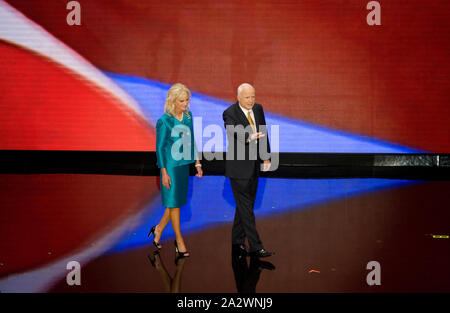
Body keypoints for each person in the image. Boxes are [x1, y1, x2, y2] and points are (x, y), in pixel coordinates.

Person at [148, 83, 203, 258]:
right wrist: (163, 172)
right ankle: (179, 241)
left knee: (175, 202)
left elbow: (191, 138)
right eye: (181, 101)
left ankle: (158, 229)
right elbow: (160, 148)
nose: (185, 104)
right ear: (173, 101)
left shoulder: (188, 116)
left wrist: (197, 163)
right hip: (170, 166)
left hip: (183, 165)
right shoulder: (164, 121)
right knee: (174, 204)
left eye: (187, 100)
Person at [223, 83, 274, 258]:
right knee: (246, 207)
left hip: (254, 167)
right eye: (247, 97)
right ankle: (256, 246)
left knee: (245, 206)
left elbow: (264, 133)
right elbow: (232, 131)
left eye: (253, 96)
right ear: (238, 97)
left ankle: (237, 240)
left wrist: (266, 157)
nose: (251, 100)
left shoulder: (258, 109)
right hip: (238, 168)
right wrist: (248, 137)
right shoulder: (230, 112)